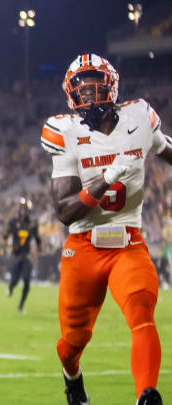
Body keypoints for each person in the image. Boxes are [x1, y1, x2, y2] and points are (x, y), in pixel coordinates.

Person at [41, 53, 171, 405]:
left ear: (111, 84)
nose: (89, 90)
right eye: (81, 84)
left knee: (142, 312)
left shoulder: (140, 116)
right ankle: (72, 376)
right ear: (70, 92)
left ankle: (146, 394)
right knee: (73, 342)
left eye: (95, 80)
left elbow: (166, 148)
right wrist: (106, 178)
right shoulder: (63, 131)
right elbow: (65, 211)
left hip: (128, 239)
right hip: (83, 246)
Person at [4, 197, 41, 313]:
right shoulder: (13, 222)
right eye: (22, 208)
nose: (23, 211)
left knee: (26, 280)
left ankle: (21, 305)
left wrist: (39, 248)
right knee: (14, 281)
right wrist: (8, 244)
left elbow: (37, 238)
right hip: (16, 256)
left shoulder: (32, 224)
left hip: (26, 256)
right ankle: (10, 287)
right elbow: (5, 235)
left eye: (25, 209)